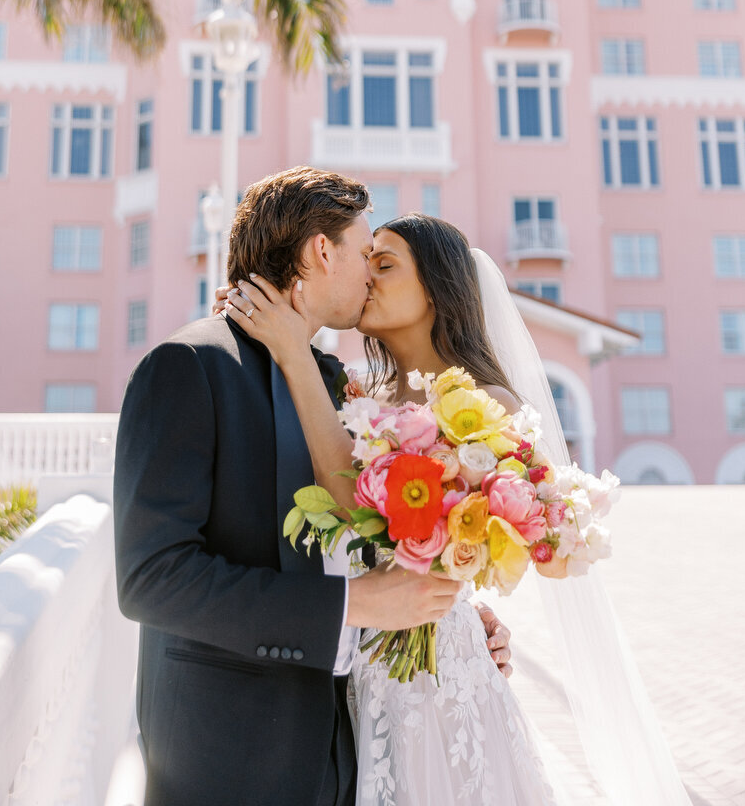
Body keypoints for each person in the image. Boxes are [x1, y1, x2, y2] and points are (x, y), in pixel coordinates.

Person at [221, 211, 693, 806]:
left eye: (384, 264)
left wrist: (293, 352)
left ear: (437, 290)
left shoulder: (488, 405)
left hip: (440, 677)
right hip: (357, 674)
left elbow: (360, 511)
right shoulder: (354, 393)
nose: (365, 276)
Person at [113, 169, 508, 806]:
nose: (369, 273)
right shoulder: (191, 365)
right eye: (363, 253)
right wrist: (359, 605)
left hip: (348, 751)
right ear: (322, 252)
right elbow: (152, 578)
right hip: (229, 759)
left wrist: (449, 617)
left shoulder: (331, 382)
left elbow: (364, 529)